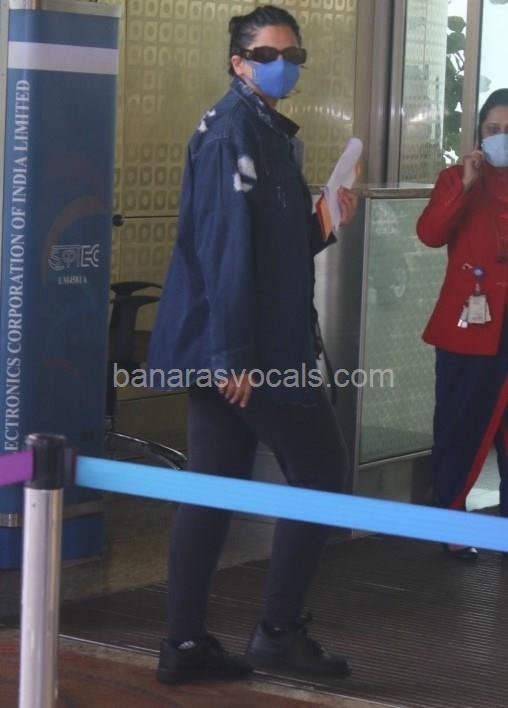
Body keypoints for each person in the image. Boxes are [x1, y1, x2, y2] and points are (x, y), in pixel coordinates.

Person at [148, 4, 358, 685]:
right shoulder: (232, 133)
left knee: (213, 486)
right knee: (322, 472)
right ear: (239, 62)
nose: (283, 65)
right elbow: (225, 250)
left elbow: (272, 249)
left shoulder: (265, 132)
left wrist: (323, 223)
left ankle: (185, 644)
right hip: (251, 353)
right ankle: (277, 633)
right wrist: (233, 357)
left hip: (240, 346)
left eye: (294, 55)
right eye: (269, 54)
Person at [417, 88, 508, 560]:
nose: (501, 137)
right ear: (479, 134)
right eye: (493, 129)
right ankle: (449, 519)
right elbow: (430, 234)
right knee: (460, 425)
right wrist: (466, 185)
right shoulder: (456, 178)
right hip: (468, 328)